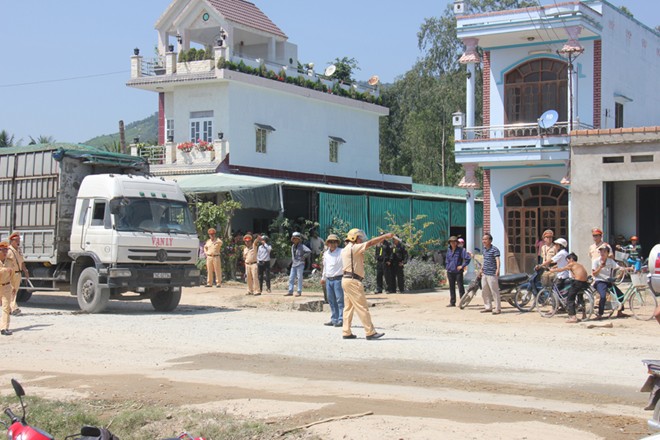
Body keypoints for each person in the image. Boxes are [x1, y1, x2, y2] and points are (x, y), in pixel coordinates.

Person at [341, 229, 394, 340]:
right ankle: (370, 332)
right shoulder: (353, 248)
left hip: (346, 280)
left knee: (348, 308)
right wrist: (384, 236)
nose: (361, 239)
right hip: (353, 280)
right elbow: (370, 243)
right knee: (362, 307)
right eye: (359, 237)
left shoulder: (345, 249)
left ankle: (346, 331)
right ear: (353, 238)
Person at [550, 253, 589, 323]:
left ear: (571, 259)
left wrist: (553, 270)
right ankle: (584, 315)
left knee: (570, 298)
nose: (567, 262)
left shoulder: (572, 264)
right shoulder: (579, 265)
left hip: (578, 282)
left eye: (567, 260)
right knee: (580, 297)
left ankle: (573, 317)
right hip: (585, 283)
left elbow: (562, 269)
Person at [592, 243, 626, 320]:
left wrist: (626, 269)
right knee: (603, 296)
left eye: (604, 251)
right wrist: (600, 267)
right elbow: (594, 273)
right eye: (601, 251)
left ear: (608, 253)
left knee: (621, 295)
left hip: (608, 281)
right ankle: (600, 314)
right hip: (599, 281)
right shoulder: (596, 261)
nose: (602, 253)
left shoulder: (610, 261)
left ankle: (620, 312)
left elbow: (618, 267)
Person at [321, 234, 344, 327]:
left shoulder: (341, 252)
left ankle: (341, 319)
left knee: (340, 300)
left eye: (334, 242)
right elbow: (325, 267)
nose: (332, 244)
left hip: (338, 278)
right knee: (331, 300)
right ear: (328, 243)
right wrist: (323, 278)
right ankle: (334, 318)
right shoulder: (326, 254)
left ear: (337, 243)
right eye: (330, 242)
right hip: (329, 279)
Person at [6, 232, 29, 316]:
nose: (18, 242)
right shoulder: (8, 250)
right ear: (12, 241)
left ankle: (9, 309)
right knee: (12, 291)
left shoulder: (18, 250)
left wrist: (25, 271)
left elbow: (22, 262)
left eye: (19, 240)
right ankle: (14, 308)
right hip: (11, 274)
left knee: (15, 291)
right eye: (16, 240)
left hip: (18, 274)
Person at [445, 236, 471, 307]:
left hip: (458, 272)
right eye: (451, 242)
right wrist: (447, 267)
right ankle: (452, 302)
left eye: (454, 242)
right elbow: (447, 259)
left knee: (460, 287)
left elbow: (468, 258)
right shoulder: (448, 250)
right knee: (451, 287)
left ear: (456, 242)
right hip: (450, 271)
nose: (453, 243)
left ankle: (463, 301)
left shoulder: (461, 250)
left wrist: (462, 266)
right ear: (449, 243)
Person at [480, 233, 501, 315]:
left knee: (494, 291)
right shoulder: (484, 249)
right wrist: (481, 269)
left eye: (485, 239)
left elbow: (497, 260)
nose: (484, 241)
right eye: (483, 239)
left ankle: (497, 308)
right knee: (485, 291)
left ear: (490, 240)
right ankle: (488, 307)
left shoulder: (495, 249)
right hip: (485, 273)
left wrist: (498, 269)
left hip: (492, 273)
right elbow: (484, 260)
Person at [286, 232, 310, 297]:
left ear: (299, 240)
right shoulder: (292, 246)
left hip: (300, 263)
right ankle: (290, 291)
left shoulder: (302, 246)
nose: (295, 240)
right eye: (294, 239)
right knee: (291, 278)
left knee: (299, 277)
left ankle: (299, 291)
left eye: (296, 239)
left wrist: (304, 256)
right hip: (294, 264)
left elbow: (309, 251)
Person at [0, 242, 14, 336]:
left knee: (6, 307)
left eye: (6, 250)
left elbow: (12, 274)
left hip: (6, 286)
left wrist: (13, 286)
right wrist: (4, 270)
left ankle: (4, 328)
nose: (5, 252)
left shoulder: (9, 261)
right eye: (3, 250)